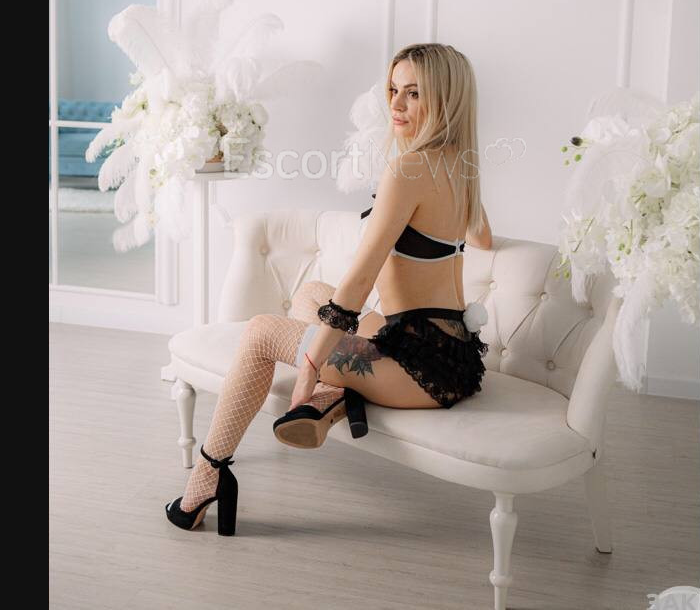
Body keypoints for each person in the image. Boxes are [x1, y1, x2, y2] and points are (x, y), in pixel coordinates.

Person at [165, 43, 494, 535]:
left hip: (419, 369)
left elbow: (361, 279)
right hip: (453, 354)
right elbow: (481, 237)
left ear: (446, 99)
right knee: (311, 295)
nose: (396, 105)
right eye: (393, 90)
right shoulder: (460, 166)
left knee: (260, 332)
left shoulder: (408, 170)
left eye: (414, 94)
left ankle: (208, 477)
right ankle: (333, 396)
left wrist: (311, 366)